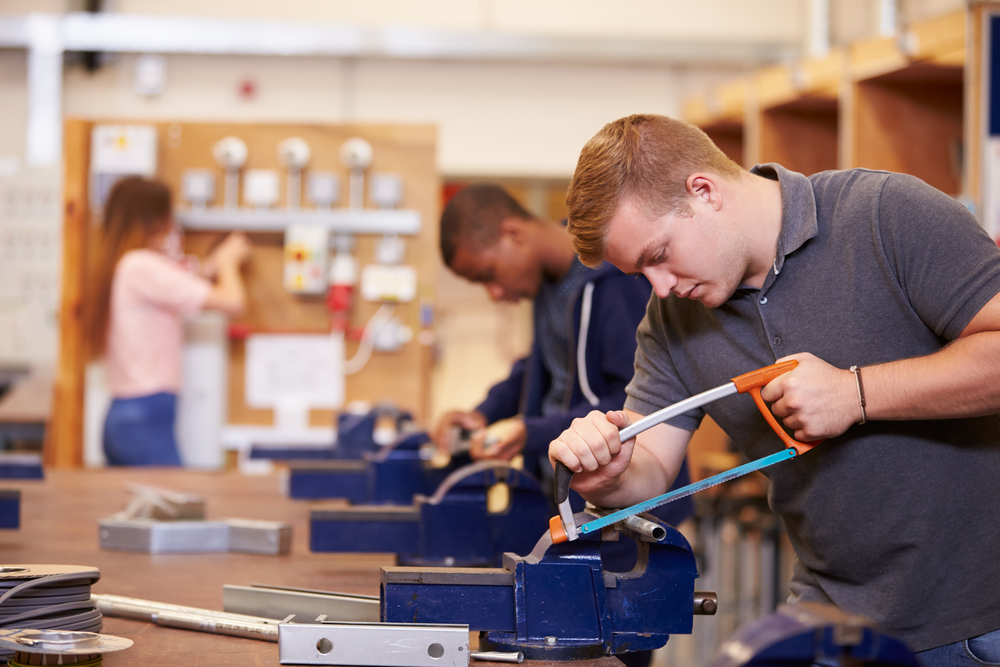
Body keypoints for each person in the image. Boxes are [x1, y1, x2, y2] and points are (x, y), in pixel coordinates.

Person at [547, 113, 1000, 665]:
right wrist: (609, 476)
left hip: (984, 623)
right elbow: (650, 472)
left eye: (658, 256)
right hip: (830, 623)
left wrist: (856, 394)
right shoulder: (672, 320)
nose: (661, 288)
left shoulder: (886, 213)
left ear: (704, 191)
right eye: (640, 275)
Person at [432, 182, 693, 523]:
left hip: (627, 512)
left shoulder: (614, 282)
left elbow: (636, 402)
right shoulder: (549, 284)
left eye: (488, 275)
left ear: (513, 233)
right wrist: (484, 414)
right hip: (571, 498)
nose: (494, 293)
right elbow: (542, 367)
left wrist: (533, 432)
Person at [86, 176, 250, 466]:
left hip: (127, 414)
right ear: (157, 221)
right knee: (176, 508)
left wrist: (213, 266)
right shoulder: (142, 265)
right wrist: (229, 262)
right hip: (145, 416)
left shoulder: (123, 265)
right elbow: (232, 301)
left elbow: (187, 283)